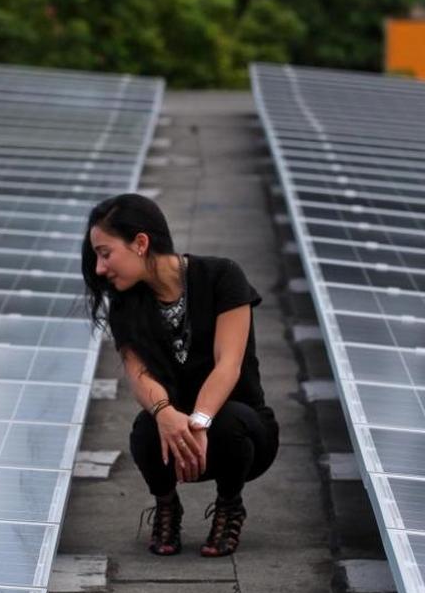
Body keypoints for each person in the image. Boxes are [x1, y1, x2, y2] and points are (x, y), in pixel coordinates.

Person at [82, 193, 279, 557]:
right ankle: (167, 506)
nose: (99, 268)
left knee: (229, 421)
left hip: (242, 434)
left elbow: (228, 363)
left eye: (105, 253)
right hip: (177, 441)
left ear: (141, 243)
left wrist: (200, 421)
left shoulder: (222, 276)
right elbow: (139, 375)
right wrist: (166, 415)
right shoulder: (126, 305)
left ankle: (229, 506)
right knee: (144, 428)